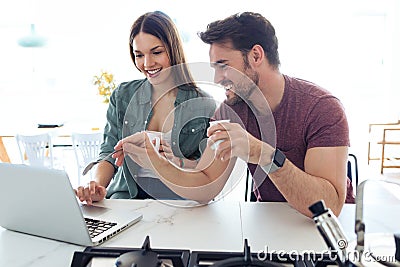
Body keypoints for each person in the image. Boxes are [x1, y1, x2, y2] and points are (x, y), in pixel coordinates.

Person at [115, 12, 354, 217]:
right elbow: (206, 185)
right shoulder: (230, 111)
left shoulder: (321, 108)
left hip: (329, 232)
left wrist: (263, 154)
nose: (217, 79)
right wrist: (154, 161)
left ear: (256, 56)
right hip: (271, 225)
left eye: (223, 65)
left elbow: (330, 206)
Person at [75, 11, 215, 204]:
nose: (147, 64)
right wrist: (96, 185)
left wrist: (175, 161)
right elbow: (109, 154)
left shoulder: (203, 104)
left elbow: (205, 169)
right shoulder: (123, 96)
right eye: (139, 55)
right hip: (127, 198)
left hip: (180, 201)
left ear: (173, 50)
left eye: (156, 52)